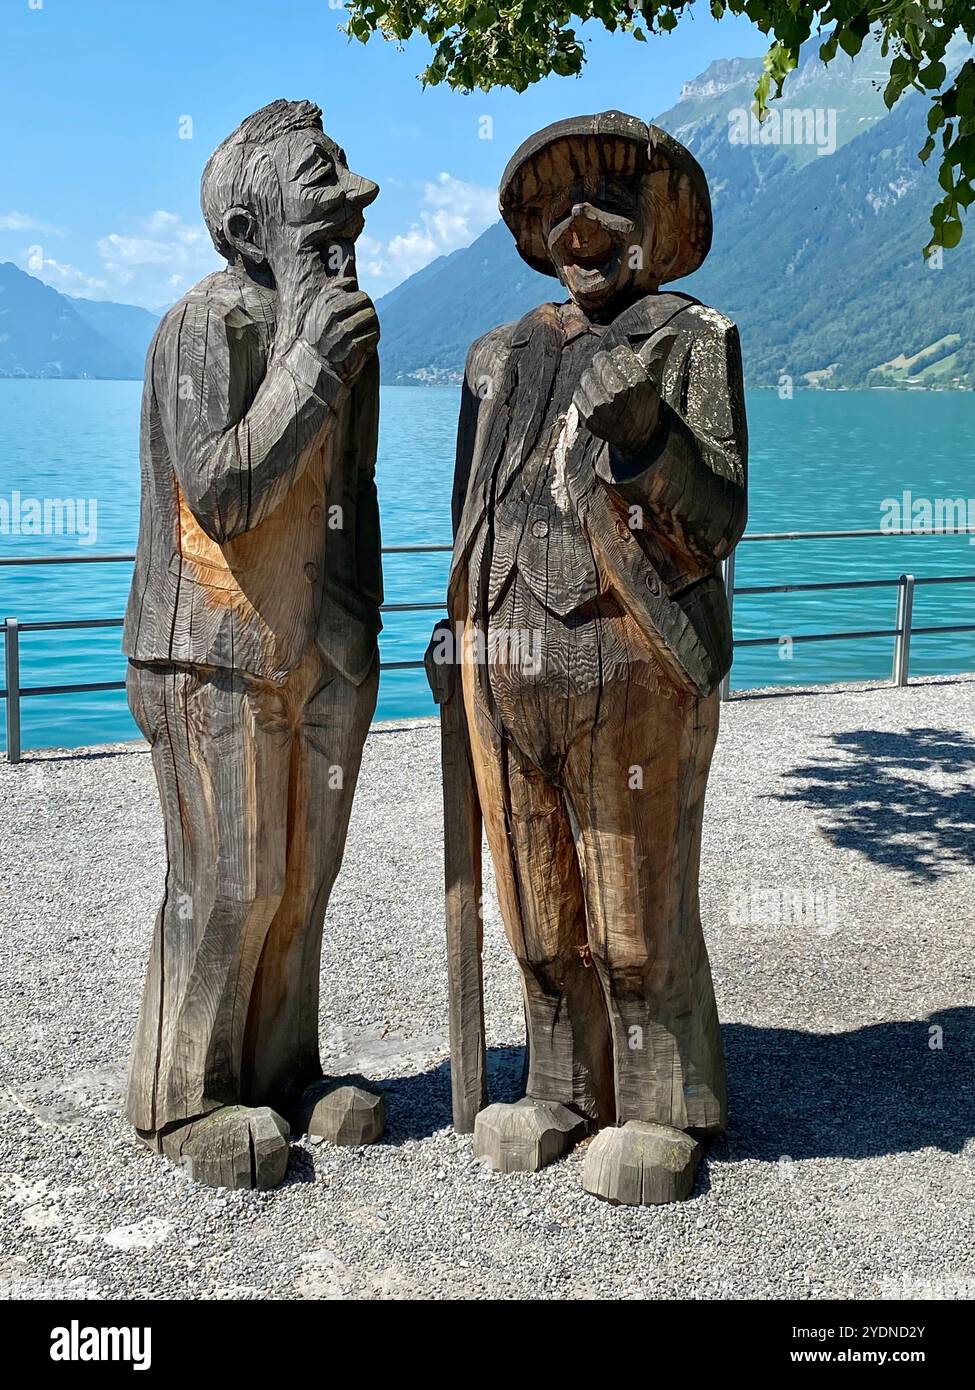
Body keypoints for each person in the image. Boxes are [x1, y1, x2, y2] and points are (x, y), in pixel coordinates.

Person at [444, 111, 748, 1200]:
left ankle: (663, 1097)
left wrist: (649, 440)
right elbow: (468, 509)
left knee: (634, 903)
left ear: (662, 220)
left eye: (609, 196)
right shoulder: (498, 354)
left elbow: (718, 519)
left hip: (633, 669)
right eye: (557, 203)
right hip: (504, 662)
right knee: (536, 905)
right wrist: (458, 631)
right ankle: (561, 1084)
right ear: (532, 228)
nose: (581, 224)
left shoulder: (690, 336)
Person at [122, 100, 383, 1187]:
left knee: (302, 877)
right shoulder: (208, 323)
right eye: (318, 196)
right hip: (212, 643)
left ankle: (282, 1066)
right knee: (229, 879)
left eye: (349, 206)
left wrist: (362, 629)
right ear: (242, 225)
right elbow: (223, 490)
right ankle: (189, 1091)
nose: (345, 225)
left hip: (320, 646)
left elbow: (351, 494)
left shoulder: (346, 332)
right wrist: (312, 368)